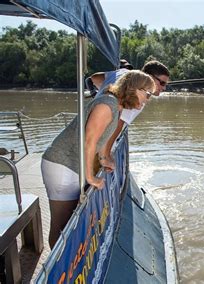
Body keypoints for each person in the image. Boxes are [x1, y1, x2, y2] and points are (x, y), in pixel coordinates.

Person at [41, 70, 155, 248]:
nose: (148, 99)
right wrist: (91, 178)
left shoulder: (116, 106)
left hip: (72, 166)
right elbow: (89, 142)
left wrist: (104, 159)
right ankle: (59, 273)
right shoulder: (106, 105)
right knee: (61, 225)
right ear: (135, 89)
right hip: (63, 165)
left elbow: (101, 139)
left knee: (70, 222)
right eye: (147, 94)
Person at [87, 60, 170, 170]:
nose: (164, 88)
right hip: (95, 143)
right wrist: (105, 157)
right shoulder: (136, 94)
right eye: (162, 83)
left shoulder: (122, 72)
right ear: (149, 76)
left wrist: (98, 94)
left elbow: (94, 78)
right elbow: (117, 124)